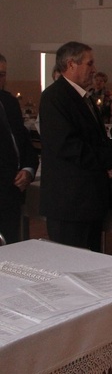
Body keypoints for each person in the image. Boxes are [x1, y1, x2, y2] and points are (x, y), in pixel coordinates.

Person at [40, 42, 112, 252]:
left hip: (88, 199)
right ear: (71, 64)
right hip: (70, 202)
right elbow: (68, 146)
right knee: (72, 264)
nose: (94, 69)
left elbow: (97, 138)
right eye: (89, 63)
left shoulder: (84, 97)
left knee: (92, 264)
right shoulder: (55, 97)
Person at [0, 53, 38, 244]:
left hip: (12, 194)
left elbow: (23, 143)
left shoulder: (9, 102)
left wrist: (28, 169)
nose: (1, 80)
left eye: (3, 75)